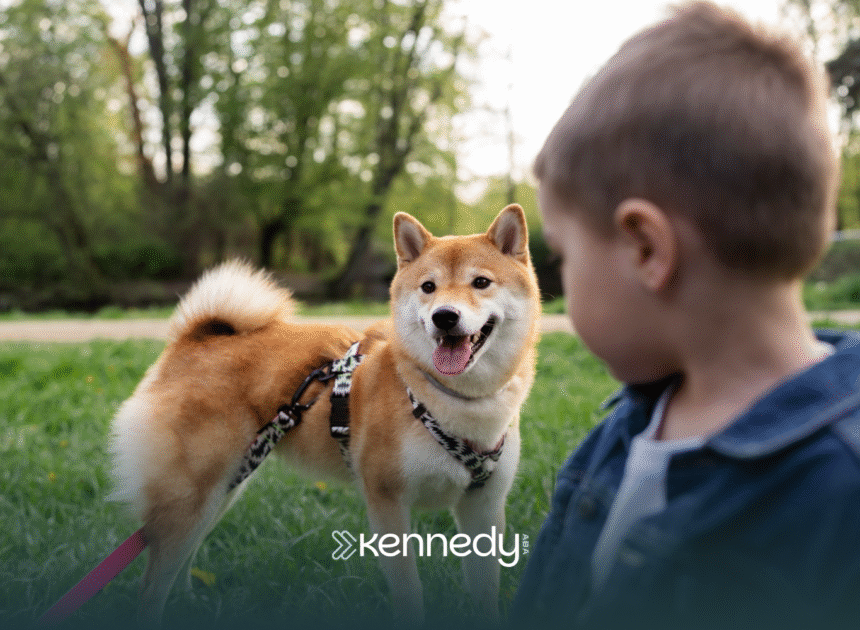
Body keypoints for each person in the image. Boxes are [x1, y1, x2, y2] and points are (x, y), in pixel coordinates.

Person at [511, 2, 860, 629]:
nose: (560, 279)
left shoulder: (840, 492)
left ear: (647, 248)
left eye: (563, 255)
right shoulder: (624, 430)